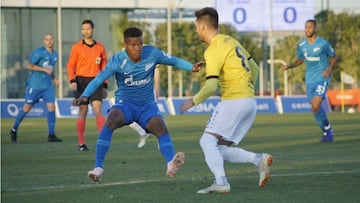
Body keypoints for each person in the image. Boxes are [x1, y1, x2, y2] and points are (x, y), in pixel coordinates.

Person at [72, 27, 201, 182]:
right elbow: (99, 79)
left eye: (140, 43)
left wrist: (191, 67)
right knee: (112, 119)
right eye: (133, 45)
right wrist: (84, 95)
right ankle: (98, 168)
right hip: (125, 105)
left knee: (160, 126)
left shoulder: (152, 53)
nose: (138, 48)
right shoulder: (118, 60)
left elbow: (174, 61)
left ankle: (170, 163)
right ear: (125, 44)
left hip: (146, 106)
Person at [180, 7, 273, 194]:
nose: (196, 31)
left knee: (206, 142)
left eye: (197, 27)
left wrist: (192, 101)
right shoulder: (231, 41)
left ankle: (221, 182)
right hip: (249, 102)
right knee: (218, 149)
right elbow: (253, 69)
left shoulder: (213, 49)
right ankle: (258, 160)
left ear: (203, 26)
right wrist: (244, 87)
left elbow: (211, 86)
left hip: (233, 101)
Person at [283, 19, 337, 143]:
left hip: (322, 77)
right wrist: (289, 66)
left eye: (310, 27)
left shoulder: (323, 43)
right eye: (306, 27)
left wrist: (328, 69)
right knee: (314, 107)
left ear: (315, 29)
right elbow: (300, 60)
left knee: (317, 104)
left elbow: (334, 56)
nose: (308, 29)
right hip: (310, 79)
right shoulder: (302, 45)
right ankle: (326, 129)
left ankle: (328, 131)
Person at [9, 33, 63, 143]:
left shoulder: (55, 55)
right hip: (35, 85)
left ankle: (51, 134)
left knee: (52, 108)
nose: (49, 41)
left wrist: (54, 79)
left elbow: (50, 70)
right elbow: (29, 65)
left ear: (53, 41)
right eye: (47, 39)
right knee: (26, 108)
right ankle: (14, 129)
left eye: (51, 39)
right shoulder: (39, 52)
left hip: (47, 86)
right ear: (44, 41)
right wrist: (44, 70)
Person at [67, 19, 108, 151]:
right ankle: (81, 143)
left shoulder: (100, 47)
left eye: (88, 29)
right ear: (81, 30)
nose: (86, 31)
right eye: (83, 29)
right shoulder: (76, 47)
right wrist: (72, 81)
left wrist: (105, 85)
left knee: (97, 109)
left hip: (96, 81)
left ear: (93, 30)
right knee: (83, 110)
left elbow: (104, 67)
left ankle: (102, 141)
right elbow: (70, 65)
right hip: (81, 81)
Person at [131, 67, 161, 148]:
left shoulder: (151, 55)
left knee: (155, 116)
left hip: (149, 90)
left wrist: (157, 86)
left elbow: (156, 69)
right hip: (135, 91)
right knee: (130, 117)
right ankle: (143, 133)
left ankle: (162, 138)